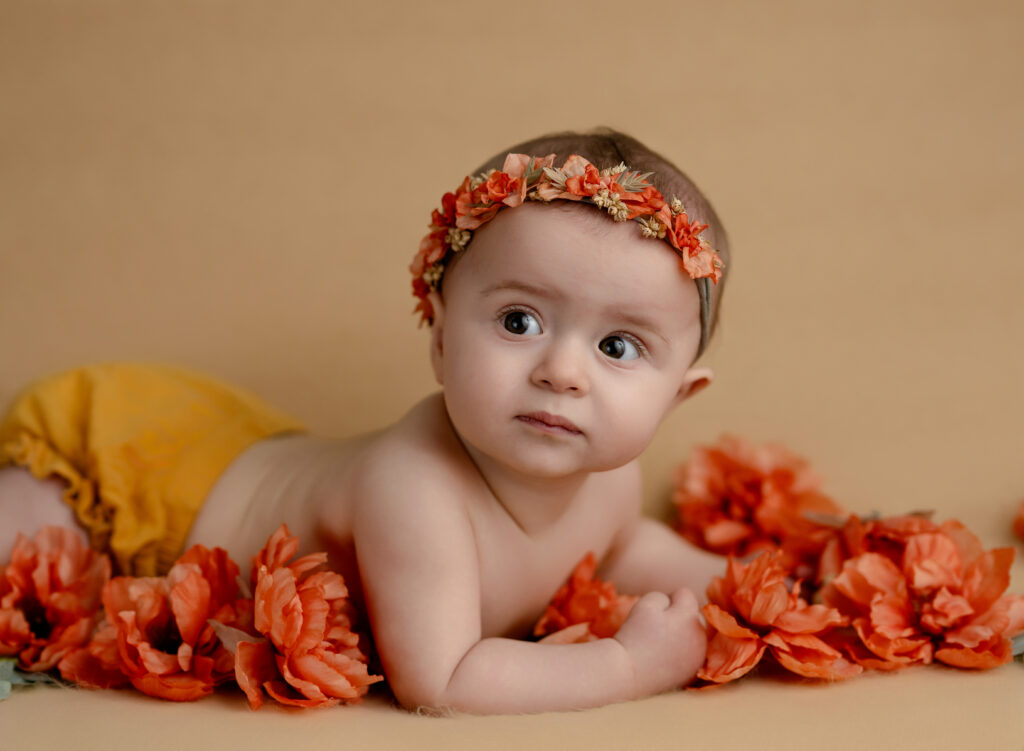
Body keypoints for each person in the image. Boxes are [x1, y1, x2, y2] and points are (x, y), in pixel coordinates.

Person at [0, 128, 732, 714]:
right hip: (149, 479)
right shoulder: (414, 487)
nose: (562, 371)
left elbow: (624, 546)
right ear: (441, 338)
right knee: (21, 546)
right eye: (519, 320)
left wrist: (751, 587)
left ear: (675, 397)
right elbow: (443, 678)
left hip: (260, 450)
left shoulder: (613, 482)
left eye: (617, 346)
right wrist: (629, 663)